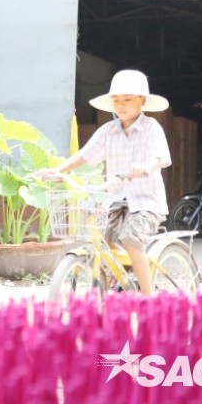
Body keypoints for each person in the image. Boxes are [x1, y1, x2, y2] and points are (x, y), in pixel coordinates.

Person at [39, 69, 171, 295]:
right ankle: (117, 280)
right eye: (116, 100)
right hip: (116, 199)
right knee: (102, 237)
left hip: (146, 202)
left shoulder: (151, 128)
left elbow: (160, 156)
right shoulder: (108, 131)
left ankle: (148, 299)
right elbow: (84, 156)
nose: (121, 105)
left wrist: (146, 167)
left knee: (131, 238)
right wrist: (57, 171)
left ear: (143, 101)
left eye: (127, 99)